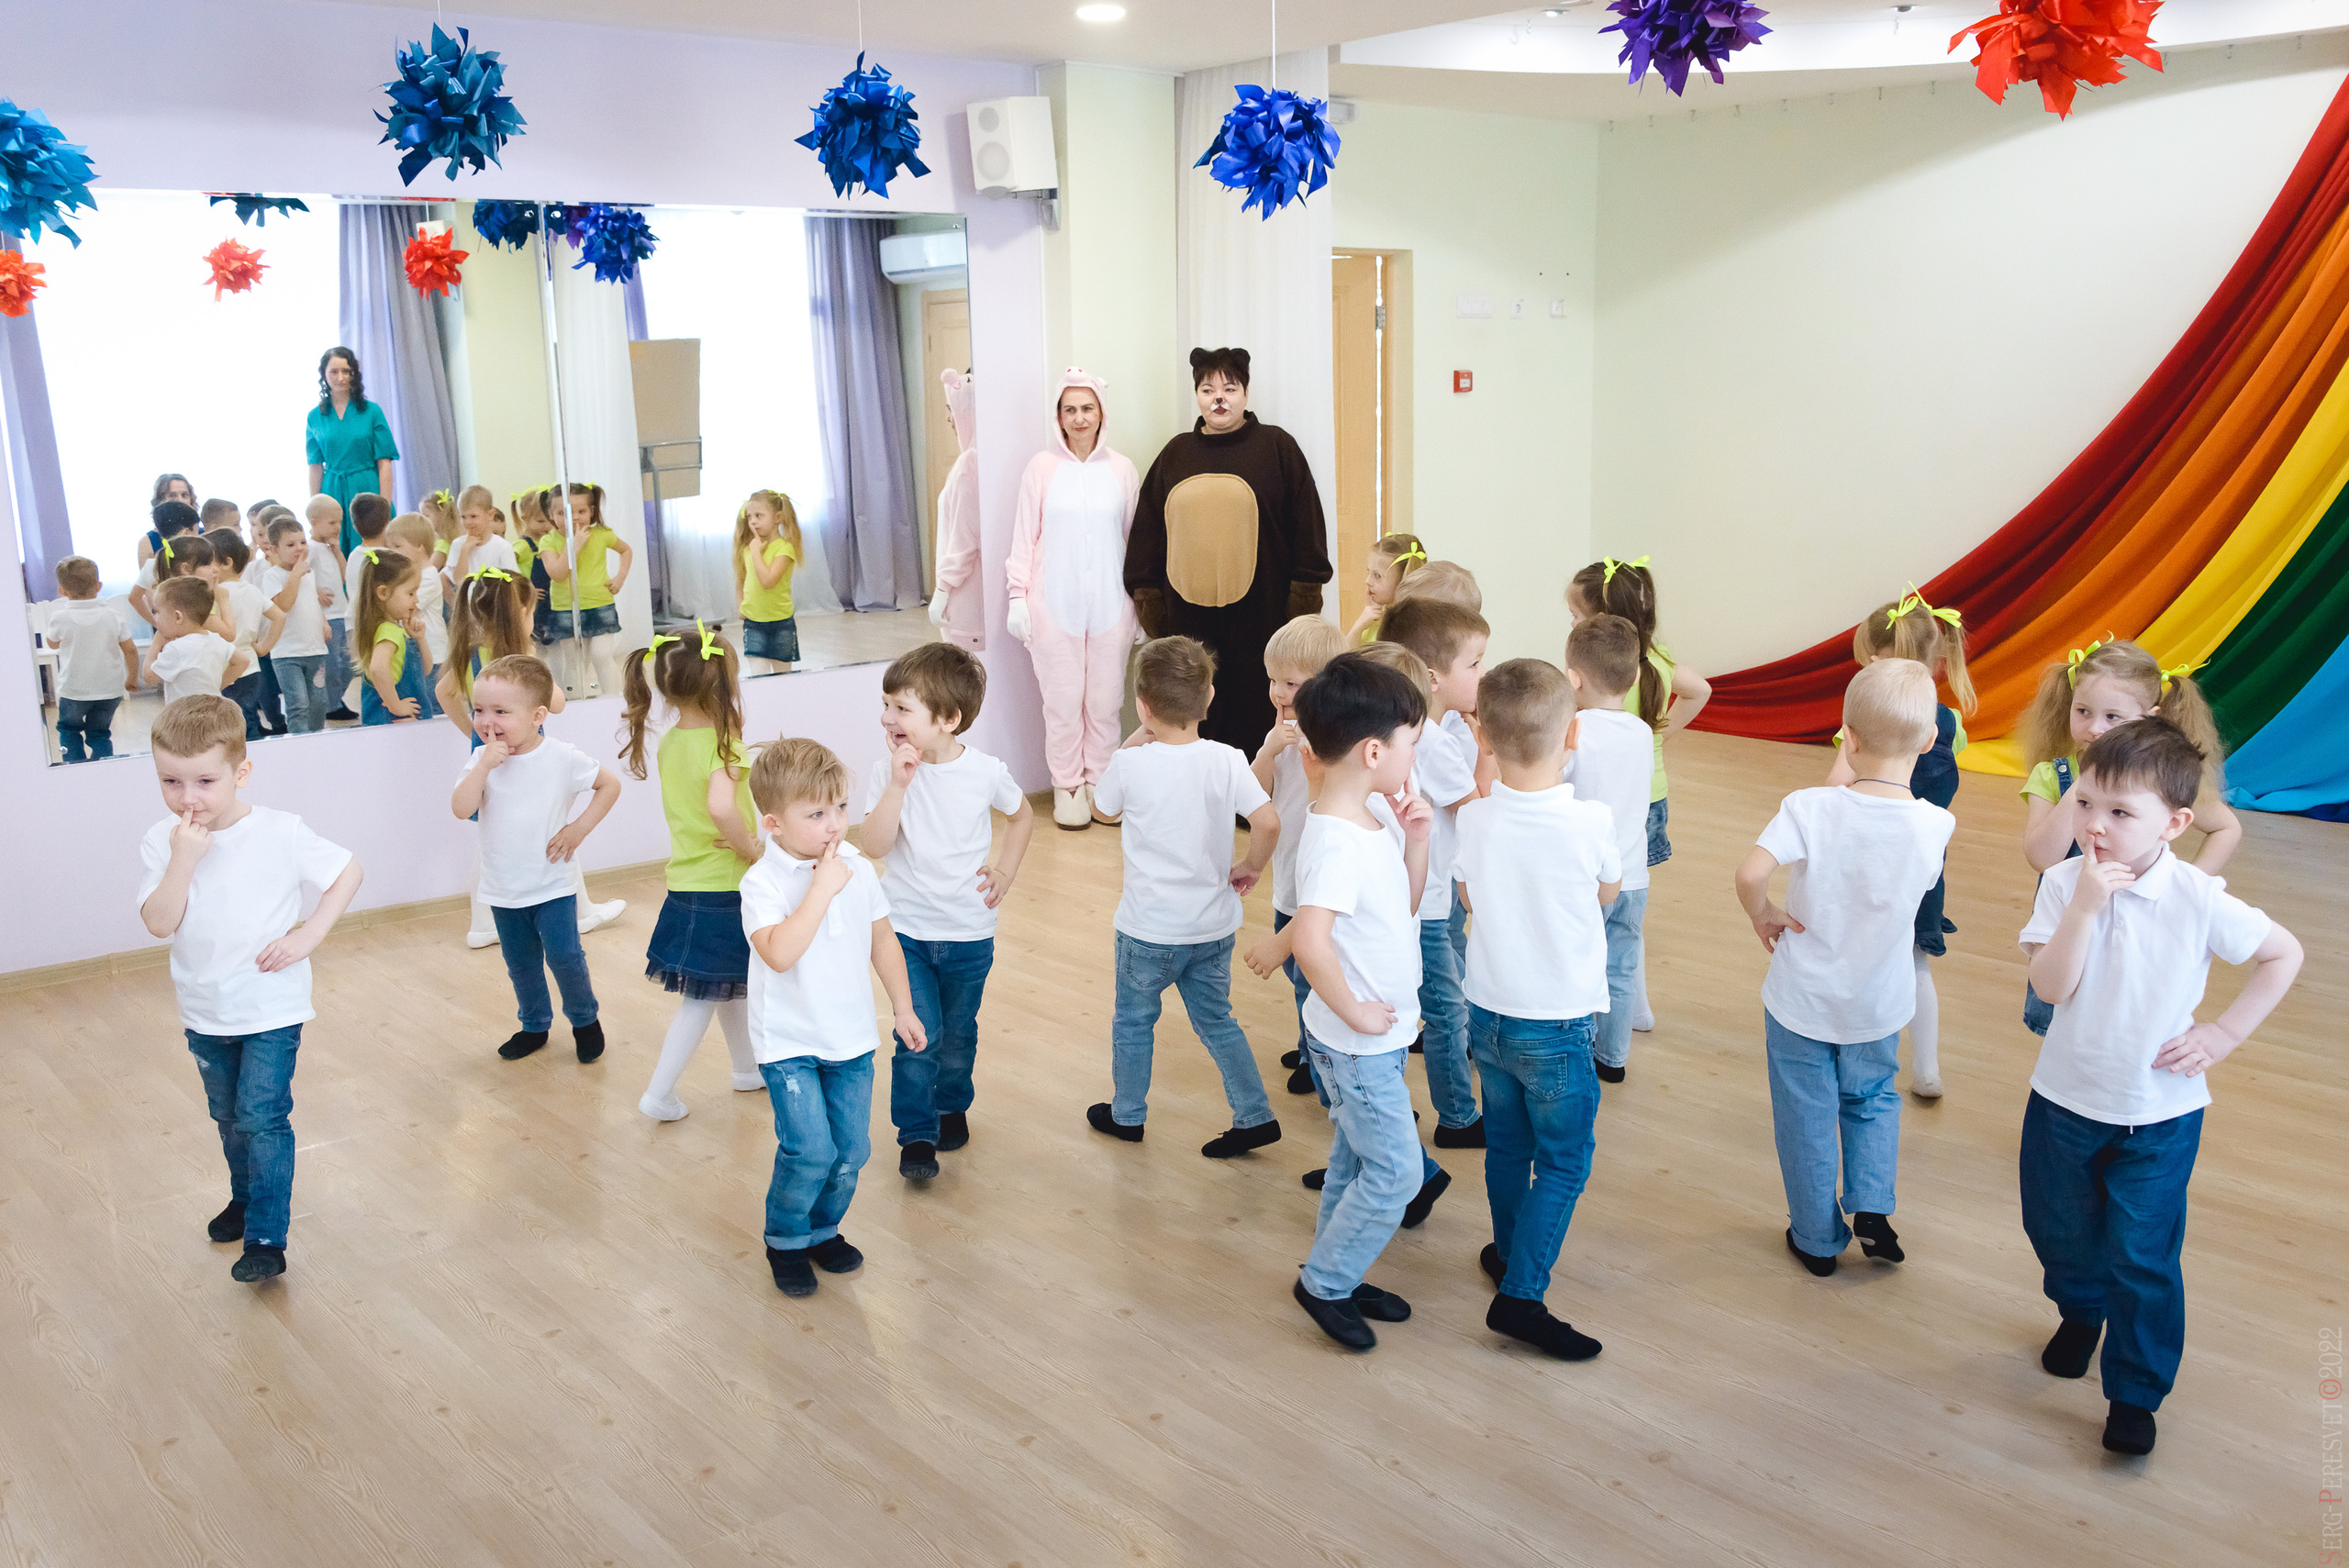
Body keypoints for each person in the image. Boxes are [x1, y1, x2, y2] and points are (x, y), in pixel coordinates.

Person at [2019, 717, 2301, 1457]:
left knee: (2142, 1255)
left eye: (2120, 813)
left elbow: (2282, 954)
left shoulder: (2198, 897)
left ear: (2175, 824)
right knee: (2058, 1230)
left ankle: (2135, 1391)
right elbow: (2049, 985)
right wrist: (2083, 905)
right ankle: (2081, 1310)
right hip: (2063, 1103)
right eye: (2086, 805)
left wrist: (2223, 1034)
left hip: (2162, 1116)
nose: (2096, 827)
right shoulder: (2061, 884)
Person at [1735, 660, 1952, 1279]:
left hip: (1802, 999)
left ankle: (1816, 1238)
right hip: (1878, 1000)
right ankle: (1873, 1205)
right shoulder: (1935, 824)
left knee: (1805, 1112)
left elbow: (1751, 873)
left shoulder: (1809, 807)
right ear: (1930, 740)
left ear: (1847, 738)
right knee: (1874, 1098)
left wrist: (1765, 913)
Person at [137, 695, 364, 1282]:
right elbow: (160, 921)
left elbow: (346, 871)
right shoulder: (162, 840)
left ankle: (266, 1234)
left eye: (206, 781)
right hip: (205, 1010)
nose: (189, 798)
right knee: (228, 1118)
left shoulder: (280, 832)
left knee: (262, 1118)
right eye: (172, 781)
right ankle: (243, 1197)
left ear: (241, 773)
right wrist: (183, 861)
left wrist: (310, 933)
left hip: (271, 1006)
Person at [1453, 657, 1619, 1359]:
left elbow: (1465, 898)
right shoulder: (1590, 820)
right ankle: (1522, 1294)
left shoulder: (1476, 818)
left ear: (1481, 737)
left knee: (1508, 1144)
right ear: (1572, 735)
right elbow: (1609, 895)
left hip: (1486, 1017)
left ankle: (1508, 1247)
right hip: (1554, 1024)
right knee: (1564, 1161)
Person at [740, 738, 928, 1299]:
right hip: (788, 1043)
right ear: (773, 823)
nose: (835, 825)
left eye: (840, 808)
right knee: (810, 1149)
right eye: (816, 814)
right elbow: (778, 952)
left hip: (851, 1037)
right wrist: (819, 890)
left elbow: (882, 938)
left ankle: (822, 1229)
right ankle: (786, 1239)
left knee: (852, 1151)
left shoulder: (858, 870)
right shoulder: (762, 883)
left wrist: (903, 1006)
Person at [1084, 636, 1282, 1154]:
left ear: (1143, 707)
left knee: (1133, 1022)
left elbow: (1103, 810)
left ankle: (1127, 1115)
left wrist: (1134, 738)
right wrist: (1251, 867)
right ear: (1209, 697)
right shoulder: (1228, 760)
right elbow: (1267, 821)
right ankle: (1254, 1114)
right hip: (1212, 929)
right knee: (1218, 1021)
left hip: (1148, 931)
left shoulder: (1132, 766)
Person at [1285, 652, 1431, 1351]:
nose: (1414, 757)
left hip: (1372, 1040)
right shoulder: (1338, 843)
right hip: (1356, 1043)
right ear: (1375, 751)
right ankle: (1324, 1282)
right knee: (1398, 1171)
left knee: (1352, 1161)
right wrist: (1354, 1011)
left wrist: (1420, 840)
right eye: (1412, 744)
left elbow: (1400, 909)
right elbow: (1310, 942)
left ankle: (1335, 1268)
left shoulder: (1372, 816)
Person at [858, 643, 1035, 1178]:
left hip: (969, 934)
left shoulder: (985, 772)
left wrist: (1004, 871)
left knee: (958, 1033)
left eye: (903, 708)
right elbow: (874, 845)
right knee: (917, 1035)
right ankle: (915, 1135)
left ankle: (952, 1104)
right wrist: (898, 783)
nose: (888, 718)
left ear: (949, 719)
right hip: (905, 933)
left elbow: (1022, 816)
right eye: (886, 704)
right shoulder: (886, 772)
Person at [2017, 639, 2239, 1037]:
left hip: (2139, 924)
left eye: (2113, 717)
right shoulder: (2054, 775)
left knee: (2123, 1019)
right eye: (2082, 711)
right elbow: (2042, 857)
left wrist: (2186, 884)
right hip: (2068, 920)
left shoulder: (2158, 781)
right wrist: (2082, 784)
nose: (2094, 728)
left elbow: (2226, 827)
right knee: (2062, 1020)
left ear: (2148, 719)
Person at [1124, 347, 1333, 751]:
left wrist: (1303, 596)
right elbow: (1149, 531)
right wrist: (1148, 598)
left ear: (1246, 393)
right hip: (1188, 617)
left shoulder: (1277, 447)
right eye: (1207, 389)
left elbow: (1306, 524)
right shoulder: (1175, 453)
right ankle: (1198, 795)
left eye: (1229, 388)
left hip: (1263, 614)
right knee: (1191, 702)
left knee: (1256, 704)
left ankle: (1253, 799)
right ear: (1198, 396)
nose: (1219, 398)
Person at [1827, 591, 1977, 1096]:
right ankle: (1926, 1070)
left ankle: (1855, 1052)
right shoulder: (1949, 724)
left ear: (1878, 662)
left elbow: (1833, 789)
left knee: (1862, 957)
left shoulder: (1865, 723)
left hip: (1869, 863)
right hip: (1922, 863)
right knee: (1916, 963)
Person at [622, 626, 766, 1122]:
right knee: (700, 1001)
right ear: (720, 686)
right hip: (721, 887)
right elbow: (721, 806)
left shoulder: (671, 743)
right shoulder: (724, 745)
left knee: (723, 984)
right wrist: (750, 847)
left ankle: (746, 1068)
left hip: (689, 884)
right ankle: (659, 1094)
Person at [451, 655, 622, 1064]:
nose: (487, 720)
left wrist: (578, 829)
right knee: (521, 963)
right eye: (479, 710)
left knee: (565, 957)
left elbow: (609, 785)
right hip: (503, 888)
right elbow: (461, 808)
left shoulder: (561, 757)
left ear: (537, 716)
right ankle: (534, 1025)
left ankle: (585, 1020)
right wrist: (483, 767)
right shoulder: (481, 761)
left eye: (501, 712)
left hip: (552, 884)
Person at [1567, 557, 1709, 1033]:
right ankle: (1636, 1005)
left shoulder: (1602, 681)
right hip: (1648, 796)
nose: (1571, 624)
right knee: (1631, 899)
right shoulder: (1659, 661)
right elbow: (1702, 690)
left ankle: (1601, 1010)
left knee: (1605, 908)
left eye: (1576, 615)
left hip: (1603, 800)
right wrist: (1660, 735)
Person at [1375, 597, 1491, 1143]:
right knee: (1447, 1010)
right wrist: (1489, 752)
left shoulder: (1424, 732)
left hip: (1423, 893)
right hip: (1429, 899)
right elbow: (1478, 809)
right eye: (1474, 664)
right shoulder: (1438, 743)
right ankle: (1458, 1116)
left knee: (1437, 1001)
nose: (1482, 674)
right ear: (1432, 677)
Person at [1007, 369, 1141, 829]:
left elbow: (1133, 540)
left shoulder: (1122, 469)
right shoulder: (1041, 468)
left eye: (1088, 408)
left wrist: (1140, 603)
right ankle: (1066, 786)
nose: (1080, 418)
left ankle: (1100, 785)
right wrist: (1017, 597)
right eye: (1070, 410)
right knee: (1062, 702)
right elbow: (1024, 536)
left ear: (1101, 412)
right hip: (1051, 605)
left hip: (1111, 605)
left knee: (1104, 701)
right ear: (1059, 417)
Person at [1241, 615, 1351, 1095]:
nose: (1277, 693)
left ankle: (1319, 1060)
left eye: (1290, 683)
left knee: (1310, 974)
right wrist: (1267, 750)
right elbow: (1254, 798)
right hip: (1289, 876)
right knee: (1296, 972)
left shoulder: (1330, 740)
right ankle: (1310, 1046)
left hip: (1318, 880)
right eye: (1272, 681)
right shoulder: (1281, 733)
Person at [1563, 614, 1657, 1084]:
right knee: (1620, 968)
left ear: (1573, 678)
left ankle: (1575, 1049)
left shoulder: (1574, 730)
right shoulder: (1641, 732)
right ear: (1634, 675)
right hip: (1633, 874)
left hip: (1586, 877)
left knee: (1580, 964)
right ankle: (1613, 1057)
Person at [38, 555, 138, 763]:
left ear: (62, 591)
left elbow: (52, 644)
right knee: (100, 732)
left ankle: (75, 766)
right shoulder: (114, 615)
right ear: (99, 586)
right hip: (109, 690)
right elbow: (130, 650)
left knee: (68, 729)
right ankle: (104, 766)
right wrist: (132, 678)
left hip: (74, 690)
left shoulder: (60, 618)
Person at [306, 347, 398, 556]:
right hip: (332, 490)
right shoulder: (314, 417)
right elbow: (314, 466)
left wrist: (384, 506)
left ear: (354, 374)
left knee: (374, 553)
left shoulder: (372, 411)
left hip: (367, 486)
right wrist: (316, 508)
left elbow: (384, 463)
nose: (340, 378)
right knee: (333, 554)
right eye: (334, 372)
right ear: (324, 375)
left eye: (346, 371)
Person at [544, 482, 630, 698]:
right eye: (564, 513)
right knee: (574, 662)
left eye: (581, 511)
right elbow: (558, 574)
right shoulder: (548, 541)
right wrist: (574, 546)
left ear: (591, 512)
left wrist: (620, 578)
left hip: (600, 604)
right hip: (565, 608)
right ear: (552, 515)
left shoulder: (602, 534)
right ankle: (576, 702)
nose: (574, 518)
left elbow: (626, 550)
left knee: (601, 656)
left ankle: (615, 702)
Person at [201, 535, 286, 742]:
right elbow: (279, 616)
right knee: (246, 716)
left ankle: (245, 757)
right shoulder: (252, 590)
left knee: (231, 723)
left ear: (227, 563)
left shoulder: (214, 594)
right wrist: (265, 647)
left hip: (224, 667)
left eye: (209, 562)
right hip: (251, 666)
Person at [929, 368, 985, 652]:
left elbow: (965, 541)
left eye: (953, 409)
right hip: (972, 597)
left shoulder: (970, 464)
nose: (950, 419)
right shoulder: (977, 459)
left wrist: (942, 590)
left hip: (965, 602)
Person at [261, 517, 331, 735]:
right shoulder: (272, 576)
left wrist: (324, 622)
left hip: (315, 650)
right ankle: (299, 745)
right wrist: (295, 576)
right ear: (274, 549)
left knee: (318, 703)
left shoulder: (307, 573)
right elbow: (284, 605)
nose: (299, 548)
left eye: (302, 542)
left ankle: (317, 740)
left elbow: (311, 602)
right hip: (287, 654)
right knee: (298, 704)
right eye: (290, 545)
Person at [353, 548, 429, 727]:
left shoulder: (395, 630)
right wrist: (396, 706)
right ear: (383, 593)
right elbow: (378, 669)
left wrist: (420, 639)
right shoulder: (389, 631)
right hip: (393, 719)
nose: (416, 600)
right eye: (411, 593)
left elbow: (424, 670)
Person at [144, 577, 249, 704]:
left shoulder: (177, 648)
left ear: (178, 617)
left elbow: (149, 677)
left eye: (157, 612)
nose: (155, 618)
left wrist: (156, 643)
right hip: (212, 713)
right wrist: (218, 686)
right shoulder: (215, 639)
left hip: (185, 716)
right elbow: (243, 661)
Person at [733, 489, 802, 676]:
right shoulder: (748, 550)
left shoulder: (785, 549)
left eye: (758, 515)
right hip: (754, 624)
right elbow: (741, 579)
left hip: (782, 624)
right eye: (749, 517)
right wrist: (740, 604)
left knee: (783, 677)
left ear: (777, 517)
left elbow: (768, 581)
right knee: (759, 675)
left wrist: (756, 552)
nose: (753, 521)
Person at [386, 514, 449, 717]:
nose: (391, 552)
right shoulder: (415, 575)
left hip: (434, 651)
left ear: (420, 546)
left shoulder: (429, 576)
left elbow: (407, 608)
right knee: (423, 701)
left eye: (397, 546)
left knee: (435, 704)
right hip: (422, 650)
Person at [302, 495, 356, 721]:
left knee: (350, 666)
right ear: (314, 521)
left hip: (342, 614)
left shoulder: (331, 548)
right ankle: (330, 705)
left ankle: (334, 700)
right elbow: (301, 577)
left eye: (340, 522)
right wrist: (316, 593)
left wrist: (338, 552)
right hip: (327, 617)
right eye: (332, 523)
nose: (337, 527)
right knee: (332, 666)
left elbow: (346, 576)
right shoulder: (310, 549)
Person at [128, 501, 202, 629]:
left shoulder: (152, 563)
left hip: (169, 633)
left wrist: (158, 624)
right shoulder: (197, 563)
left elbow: (134, 598)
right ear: (187, 532)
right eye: (196, 530)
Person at [1346, 532, 1427, 645]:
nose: (1367, 581)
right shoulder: (1374, 619)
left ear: (1402, 581)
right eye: (1368, 572)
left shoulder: (1406, 630)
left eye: (1377, 576)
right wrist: (1359, 626)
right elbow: (1344, 657)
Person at [444, 484, 518, 587]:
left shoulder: (503, 547)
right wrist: (464, 550)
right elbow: (459, 580)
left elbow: (512, 582)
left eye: (473, 516)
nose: (468, 522)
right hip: (468, 603)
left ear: (490, 515)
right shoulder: (458, 544)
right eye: (463, 517)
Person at [137, 473, 198, 570]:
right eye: (172, 496)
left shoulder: (203, 534)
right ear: (160, 500)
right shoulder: (148, 542)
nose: (180, 500)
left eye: (184, 495)